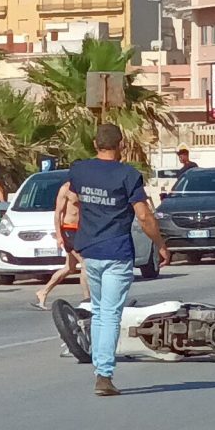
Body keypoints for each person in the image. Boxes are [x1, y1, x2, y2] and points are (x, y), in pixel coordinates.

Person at [67, 122, 171, 397]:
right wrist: (160, 244)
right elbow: (144, 215)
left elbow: (73, 200)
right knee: (110, 314)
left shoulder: (80, 170)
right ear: (121, 145)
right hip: (116, 252)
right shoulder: (128, 175)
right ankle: (104, 374)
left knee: (100, 312)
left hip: (90, 250)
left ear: (95, 144)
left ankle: (100, 368)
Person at [34, 186, 83, 310]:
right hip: (68, 229)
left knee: (69, 268)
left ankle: (43, 292)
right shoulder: (66, 189)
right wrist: (59, 235)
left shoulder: (85, 187)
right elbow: (58, 213)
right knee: (86, 264)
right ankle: (87, 301)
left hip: (80, 231)